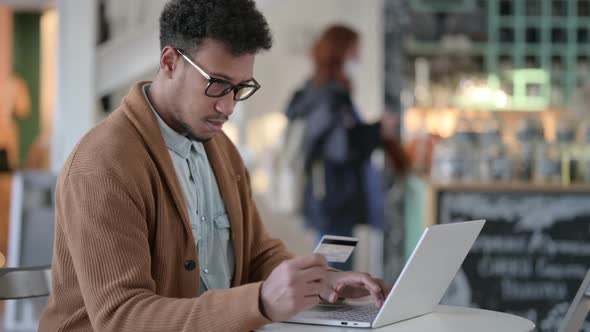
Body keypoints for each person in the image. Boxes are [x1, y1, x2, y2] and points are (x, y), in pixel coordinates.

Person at [39, 1, 389, 331]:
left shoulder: (219, 148)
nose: (228, 106)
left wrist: (320, 280)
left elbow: (256, 255)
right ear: (170, 62)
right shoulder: (103, 165)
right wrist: (261, 302)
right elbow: (122, 319)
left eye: (240, 88)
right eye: (217, 85)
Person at [285, 25, 398, 271]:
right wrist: (378, 129)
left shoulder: (315, 89)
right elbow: (341, 148)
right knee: (336, 271)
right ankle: (333, 310)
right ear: (342, 50)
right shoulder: (331, 94)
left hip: (328, 195)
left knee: (333, 264)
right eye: (355, 47)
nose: (359, 54)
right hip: (335, 198)